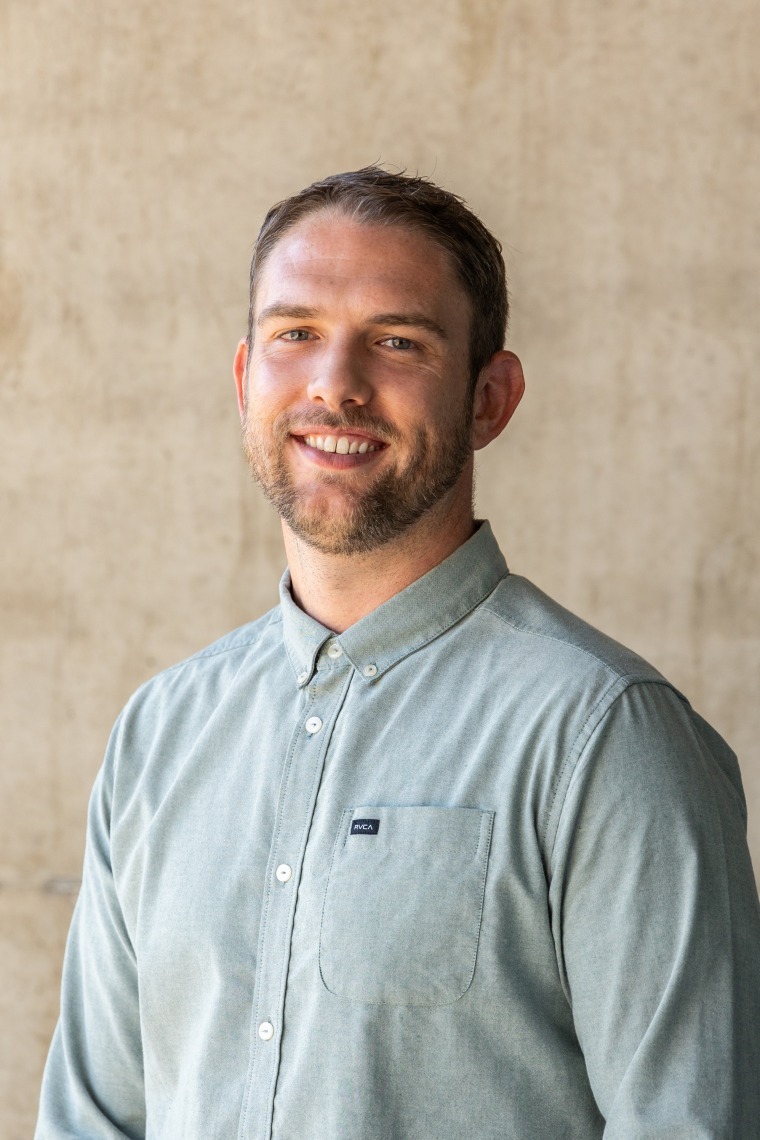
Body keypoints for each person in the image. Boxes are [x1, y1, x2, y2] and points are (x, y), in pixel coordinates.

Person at [37, 167, 760, 1139]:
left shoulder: (605, 739)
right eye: (296, 334)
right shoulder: (161, 732)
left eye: (396, 341)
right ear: (246, 377)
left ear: (489, 399)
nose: (335, 383)